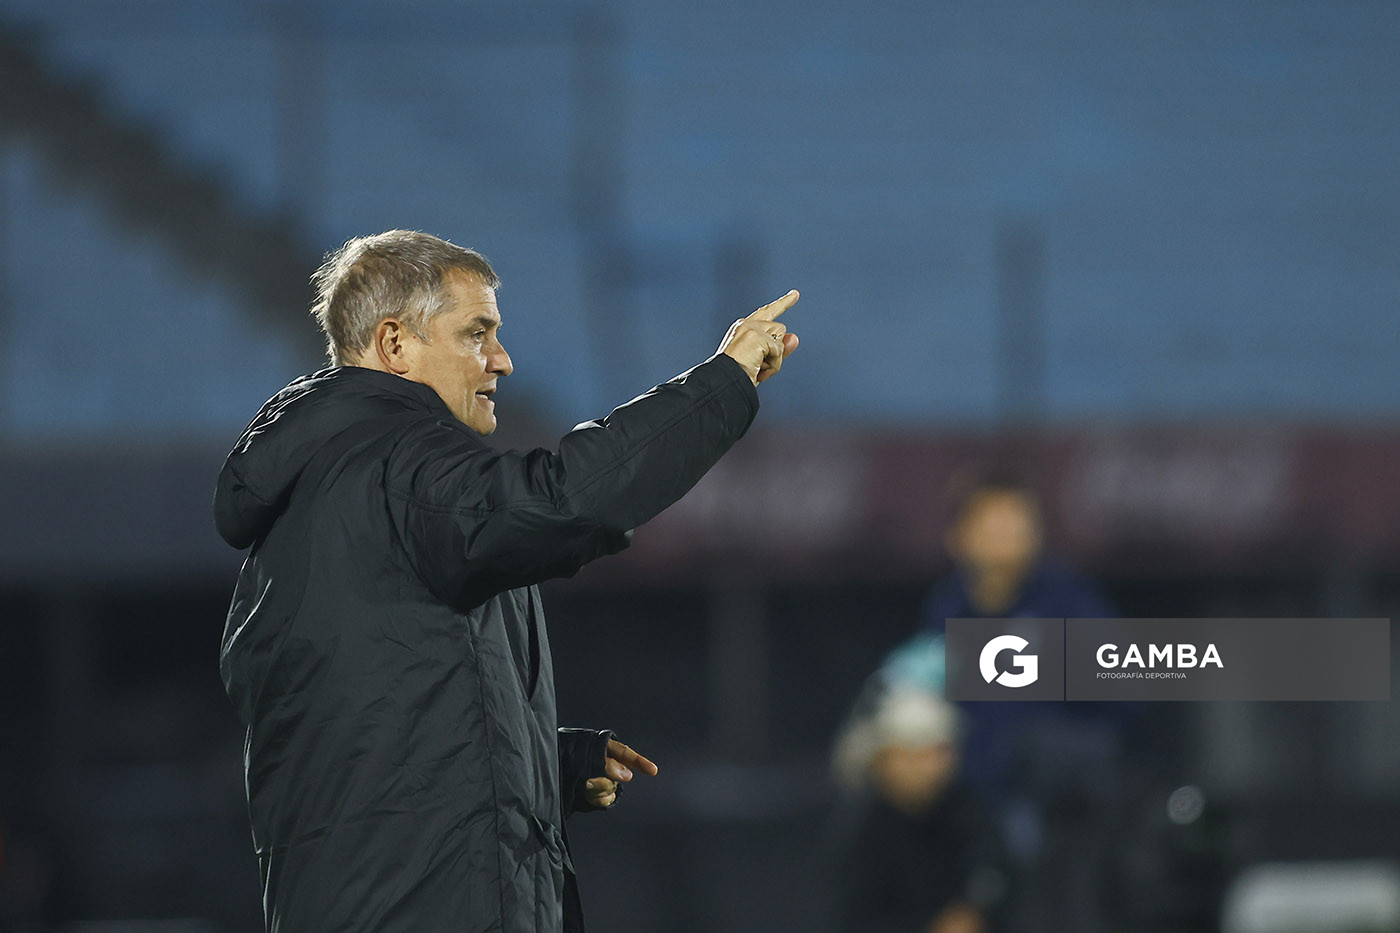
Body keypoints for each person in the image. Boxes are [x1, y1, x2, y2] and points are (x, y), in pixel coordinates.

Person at [214, 230, 799, 932]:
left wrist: (541, 762)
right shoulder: (392, 460)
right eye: (476, 333)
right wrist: (720, 385)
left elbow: (369, 738)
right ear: (395, 344)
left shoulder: (330, 487)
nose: (502, 359)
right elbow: (562, 501)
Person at [829, 688, 1007, 933]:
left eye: (942, 751)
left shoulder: (964, 809)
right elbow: (854, 916)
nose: (936, 767)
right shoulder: (862, 830)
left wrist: (975, 909)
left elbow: (996, 872)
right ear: (886, 759)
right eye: (919, 754)